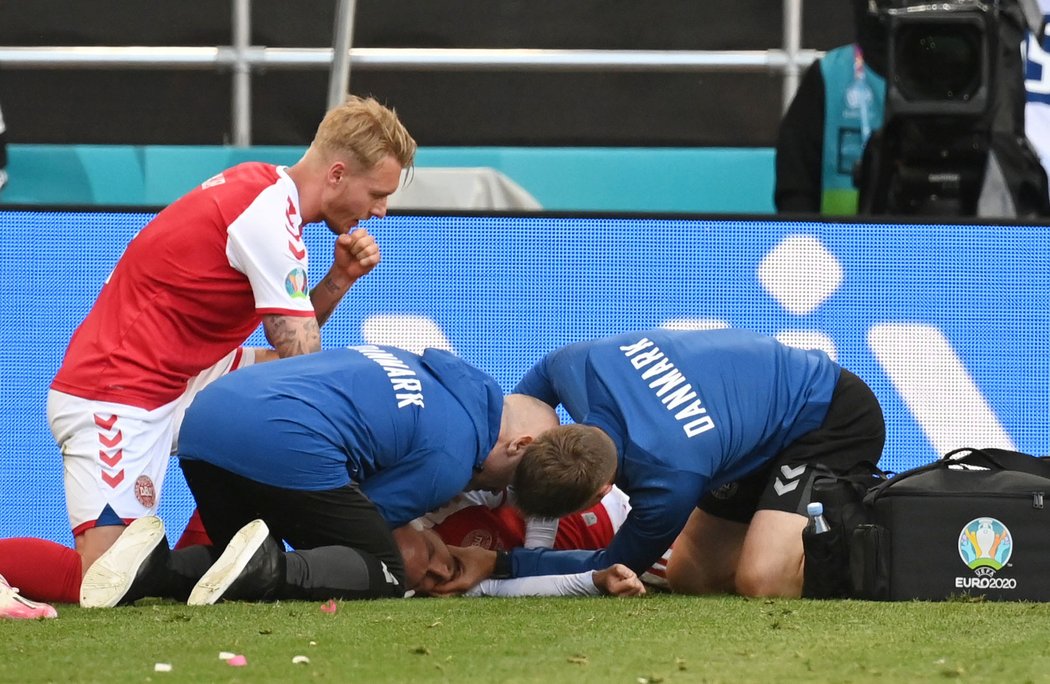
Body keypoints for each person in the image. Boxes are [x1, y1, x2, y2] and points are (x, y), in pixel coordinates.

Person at [0, 96, 417, 603]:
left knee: (266, 408)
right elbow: (302, 356)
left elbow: (291, 349)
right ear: (336, 174)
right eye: (377, 193)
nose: (381, 210)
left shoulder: (267, 194)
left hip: (180, 376)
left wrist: (339, 278)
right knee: (102, 581)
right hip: (117, 390)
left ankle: (214, 561)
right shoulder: (266, 213)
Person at [77, 343, 562, 607]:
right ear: (519, 444)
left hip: (204, 422)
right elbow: (366, 516)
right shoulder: (453, 455)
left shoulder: (431, 367)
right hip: (280, 440)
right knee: (386, 571)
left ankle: (153, 568)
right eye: (507, 480)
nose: (492, 490)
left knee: (236, 559)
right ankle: (263, 568)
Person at [434, 328, 885, 599]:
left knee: (762, 580)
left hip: (828, 415)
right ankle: (780, 531)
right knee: (693, 578)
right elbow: (522, 404)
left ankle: (880, 541)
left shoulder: (671, 482)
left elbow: (610, 564)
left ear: (603, 491)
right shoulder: (575, 368)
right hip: (742, 432)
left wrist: (500, 564)